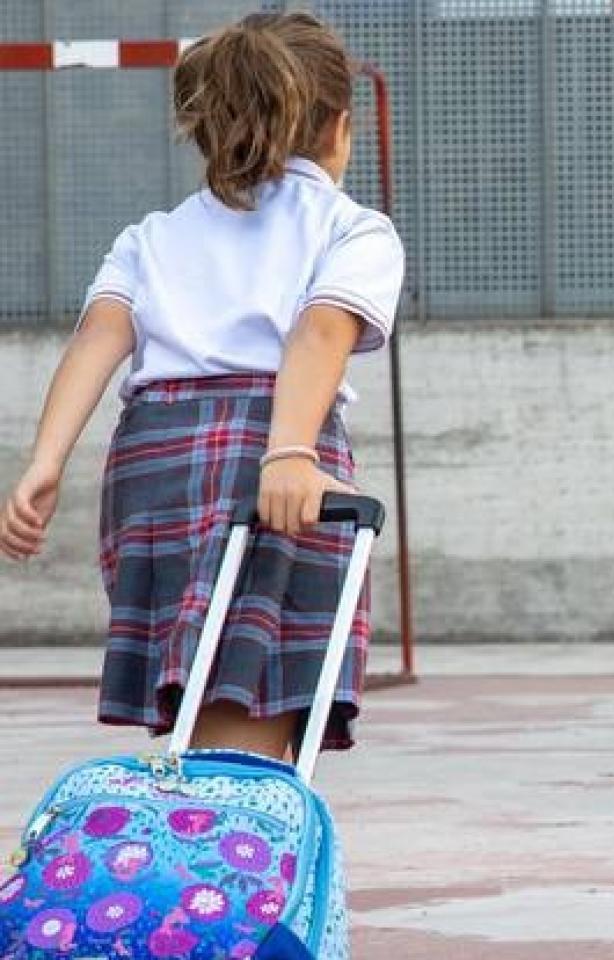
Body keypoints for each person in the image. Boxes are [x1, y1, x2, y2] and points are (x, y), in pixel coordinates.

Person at [0, 12, 406, 760]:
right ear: (338, 127)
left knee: (199, 679)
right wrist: (289, 451)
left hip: (151, 461)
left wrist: (44, 463)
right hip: (265, 445)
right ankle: (222, 855)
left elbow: (99, 338)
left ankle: (214, 843)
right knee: (248, 701)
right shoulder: (352, 229)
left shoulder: (151, 236)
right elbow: (318, 332)